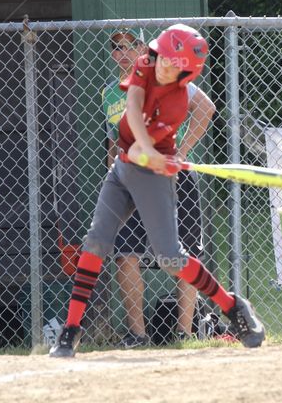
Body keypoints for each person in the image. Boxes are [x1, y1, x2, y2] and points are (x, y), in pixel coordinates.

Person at [51, 24, 265, 357]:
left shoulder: (178, 102)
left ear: (186, 71)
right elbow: (133, 109)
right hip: (123, 166)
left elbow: (146, 152)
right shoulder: (145, 64)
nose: (163, 64)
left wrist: (161, 157)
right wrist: (144, 149)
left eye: (172, 62)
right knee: (95, 243)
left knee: (170, 257)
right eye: (163, 56)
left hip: (151, 174)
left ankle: (233, 306)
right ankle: (71, 330)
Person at [102, 29, 216, 347]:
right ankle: (138, 335)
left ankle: (184, 333)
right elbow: (115, 141)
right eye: (116, 47)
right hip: (131, 178)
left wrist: (182, 153)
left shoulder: (166, 78)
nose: (123, 52)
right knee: (125, 253)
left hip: (169, 176)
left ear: (144, 49)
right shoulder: (109, 94)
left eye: (130, 46)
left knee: (183, 253)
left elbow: (206, 108)